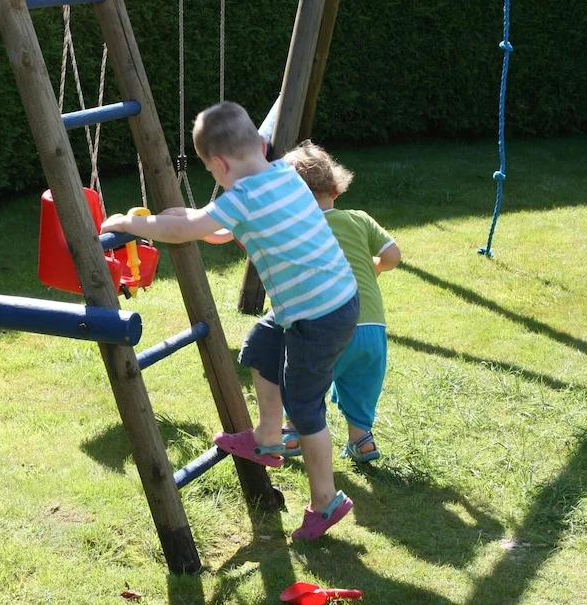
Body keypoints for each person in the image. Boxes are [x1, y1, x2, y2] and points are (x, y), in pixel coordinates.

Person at [100, 101, 359, 541]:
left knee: (305, 406)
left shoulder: (244, 196)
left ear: (219, 164)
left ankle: (326, 501)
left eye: (212, 173)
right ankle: (268, 437)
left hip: (319, 317)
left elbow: (191, 231)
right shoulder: (282, 174)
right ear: (257, 143)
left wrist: (129, 223)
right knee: (261, 344)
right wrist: (180, 217)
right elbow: (214, 230)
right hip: (325, 303)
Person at [283, 140, 401, 463]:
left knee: (303, 380)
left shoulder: (299, 229)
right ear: (336, 189)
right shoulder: (359, 219)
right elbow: (393, 255)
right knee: (361, 385)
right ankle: (362, 440)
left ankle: (292, 433)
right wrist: (376, 267)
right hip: (372, 328)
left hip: (329, 328)